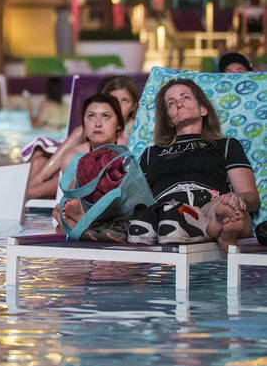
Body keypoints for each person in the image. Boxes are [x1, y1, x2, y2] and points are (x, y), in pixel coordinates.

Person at [127, 79, 258, 247]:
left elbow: (251, 196)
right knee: (172, 213)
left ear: (203, 109)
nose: (179, 104)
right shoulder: (151, 153)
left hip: (211, 201)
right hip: (168, 211)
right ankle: (219, 227)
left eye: (185, 97)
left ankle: (219, 220)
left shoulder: (225, 145)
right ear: (168, 120)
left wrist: (235, 199)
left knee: (223, 206)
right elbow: (139, 198)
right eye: (171, 103)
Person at [24, 75, 141, 200]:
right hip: (74, 166)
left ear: (134, 106)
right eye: (113, 99)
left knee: (79, 167)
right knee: (38, 160)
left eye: (124, 101)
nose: (118, 103)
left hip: (96, 175)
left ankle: (27, 192)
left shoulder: (133, 128)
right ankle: (31, 186)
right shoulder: (90, 129)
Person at [54, 93, 128, 242]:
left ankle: (87, 224)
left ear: (119, 125)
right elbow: (70, 202)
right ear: (84, 123)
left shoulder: (128, 154)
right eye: (91, 116)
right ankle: (88, 225)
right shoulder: (73, 157)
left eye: (106, 116)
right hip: (79, 214)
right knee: (64, 215)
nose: (98, 123)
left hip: (119, 216)